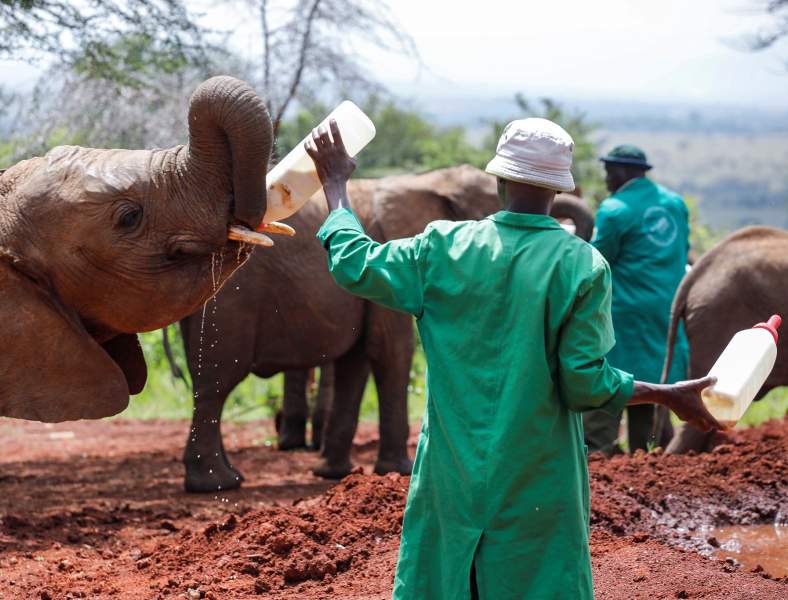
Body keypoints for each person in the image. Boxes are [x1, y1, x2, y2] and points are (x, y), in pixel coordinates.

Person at [304, 118, 722, 599]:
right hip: (539, 483)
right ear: (559, 190)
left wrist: (336, 187)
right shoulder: (581, 265)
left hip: (451, 475)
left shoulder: (442, 248)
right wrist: (665, 395)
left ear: (499, 181)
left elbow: (355, 264)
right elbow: (584, 385)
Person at [582, 145, 691, 455]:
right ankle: (648, 456)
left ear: (621, 171)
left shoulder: (615, 209)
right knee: (652, 383)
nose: (605, 179)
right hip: (666, 310)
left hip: (624, 315)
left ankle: (598, 452)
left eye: (608, 172)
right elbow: (682, 250)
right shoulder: (675, 204)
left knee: (608, 382)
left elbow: (595, 262)